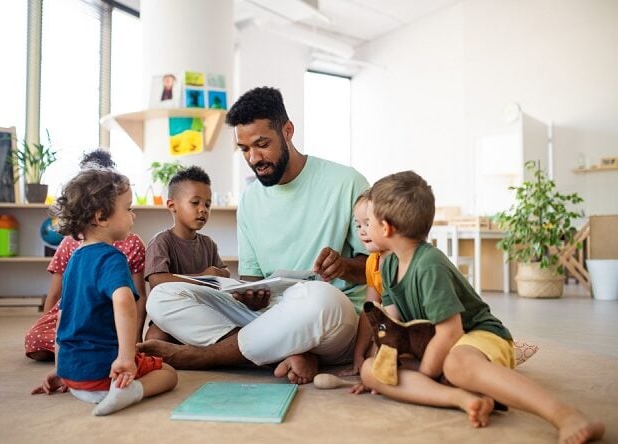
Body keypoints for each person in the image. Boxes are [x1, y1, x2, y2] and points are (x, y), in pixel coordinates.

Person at [139, 86, 370, 384]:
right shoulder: (249, 199)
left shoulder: (347, 182)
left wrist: (345, 266)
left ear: (287, 131)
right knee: (162, 297)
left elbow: (378, 269)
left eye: (262, 144)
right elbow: (251, 280)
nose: (254, 157)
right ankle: (284, 353)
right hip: (269, 317)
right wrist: (250, 297)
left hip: (330, 319)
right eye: (244, 149)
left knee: (319, 297)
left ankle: (204, 356)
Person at [358, 171, 604, 442]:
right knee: (371, 370)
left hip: (476, 335)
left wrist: (426, 374)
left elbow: (450, 333)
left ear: (386, 227)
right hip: (432, 344)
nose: (363, 229)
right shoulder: (388, 263)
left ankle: (565, 415)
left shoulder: (429, 265)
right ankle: (461, 398)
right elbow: (394, 324)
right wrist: (385, 359)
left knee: (455, 364)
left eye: (368, 222)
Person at [31, 168, 177, 416]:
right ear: (101, 217)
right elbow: (124, 300)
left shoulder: (75, 259)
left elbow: (62, 320)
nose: (134, 216)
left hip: (74, 376)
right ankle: (129, 392)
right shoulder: (112, 258)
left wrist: (61, 369)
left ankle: (84, 383)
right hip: (105, 374)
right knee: (169, 374)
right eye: (129, 208)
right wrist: (126, 358)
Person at [24, 150, 147, 361]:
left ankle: (82, 351)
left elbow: (136, 296)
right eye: (129, 209)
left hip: (108, 315)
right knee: (35, 341)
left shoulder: (131, 244)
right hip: (77, 311)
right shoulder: (71, 245)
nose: (133, 214)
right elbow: (57, 297)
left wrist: (133, 342)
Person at [143, 165, 230, 341]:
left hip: (205, 313)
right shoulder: (161, 241)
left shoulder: (208, 243)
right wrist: (202, 278)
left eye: (207, 204)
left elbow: (224, 273)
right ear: (172, 205)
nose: (203, 209)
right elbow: (157, 280)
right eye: (195, 202)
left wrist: (219, 273)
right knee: (154, 338)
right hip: (172, 314)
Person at [338, 190, 393, 383]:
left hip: (409, 328)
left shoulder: (398, 260)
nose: (362, 231)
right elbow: (369, 310)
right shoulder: (372, 261)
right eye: (358, 225)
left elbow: (395, 316)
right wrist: (358, 354)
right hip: (389, 326)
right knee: (370, 359)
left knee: (376, 360)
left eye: (367, 224)